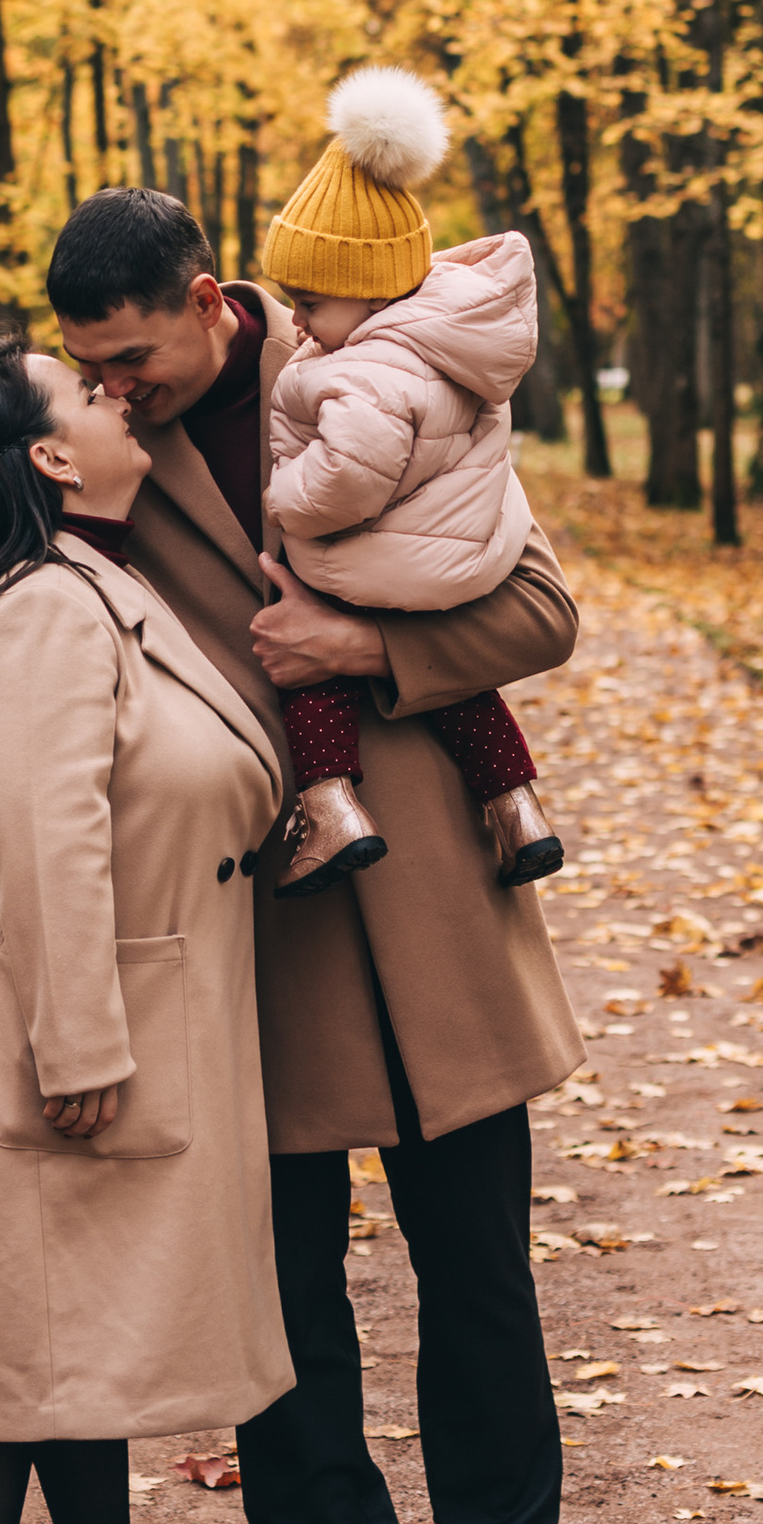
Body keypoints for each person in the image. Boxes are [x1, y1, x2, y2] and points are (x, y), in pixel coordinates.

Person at [47, 184, 585, 1524]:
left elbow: (541, 608)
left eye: (136, 358)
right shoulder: (100, 456)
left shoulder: (380, 370)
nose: (116, 390)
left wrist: (371, 651)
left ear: (213, 300)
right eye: (92, 366)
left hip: (432, 903)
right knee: (283, 1283)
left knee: (479, 1258)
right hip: (250, 922)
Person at [0, 337, 292, 1524]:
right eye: (83, 392)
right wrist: (78, 1037)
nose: (114, 393)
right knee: (9, 1363)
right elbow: (46, 838)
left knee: (76, 1357)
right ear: (50, 457)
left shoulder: (99, 584)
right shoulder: (42, 614)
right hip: (45, 1039)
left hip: (105, 1023)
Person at [258, 63, 565, 900]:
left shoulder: (370, 369)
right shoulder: (450, 346)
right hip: (465, 559)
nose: (298, 321)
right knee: (465, 692)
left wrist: (285, 497)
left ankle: (329, 805)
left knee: (313, 665)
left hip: (395, 562)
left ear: (367, 293)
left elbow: (349, 480)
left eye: (311, 302)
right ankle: (515, 806)